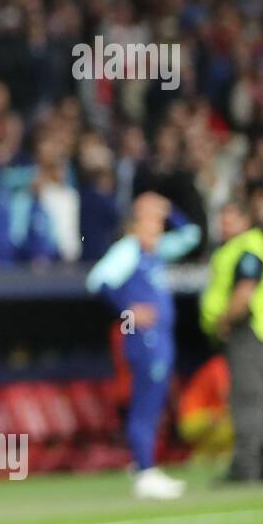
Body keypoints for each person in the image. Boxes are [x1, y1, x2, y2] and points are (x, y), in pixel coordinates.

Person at [87, 192, 199, 498]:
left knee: (153, 403)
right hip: (145, 339)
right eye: (151, 225)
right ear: (136, 227)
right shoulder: (129, 250)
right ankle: (145, 471)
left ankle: (144, 466)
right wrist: (128, 308)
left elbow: (192, 236)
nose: (157, 232)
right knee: (145, 405)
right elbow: (98, 280)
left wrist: (169, 208)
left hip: (160, 337)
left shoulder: (155, 252)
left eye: (159, 226)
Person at [200, 199, 263, 484]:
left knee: (245, 400)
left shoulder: (248, 247)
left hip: (249, 330)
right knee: (257, 399)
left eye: (231, 218)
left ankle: (244, 468)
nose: (225, 224)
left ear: (245, 220)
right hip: (259, 331)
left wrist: (224, 320)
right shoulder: (239, 246)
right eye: (222, 218)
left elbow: (244, 291)